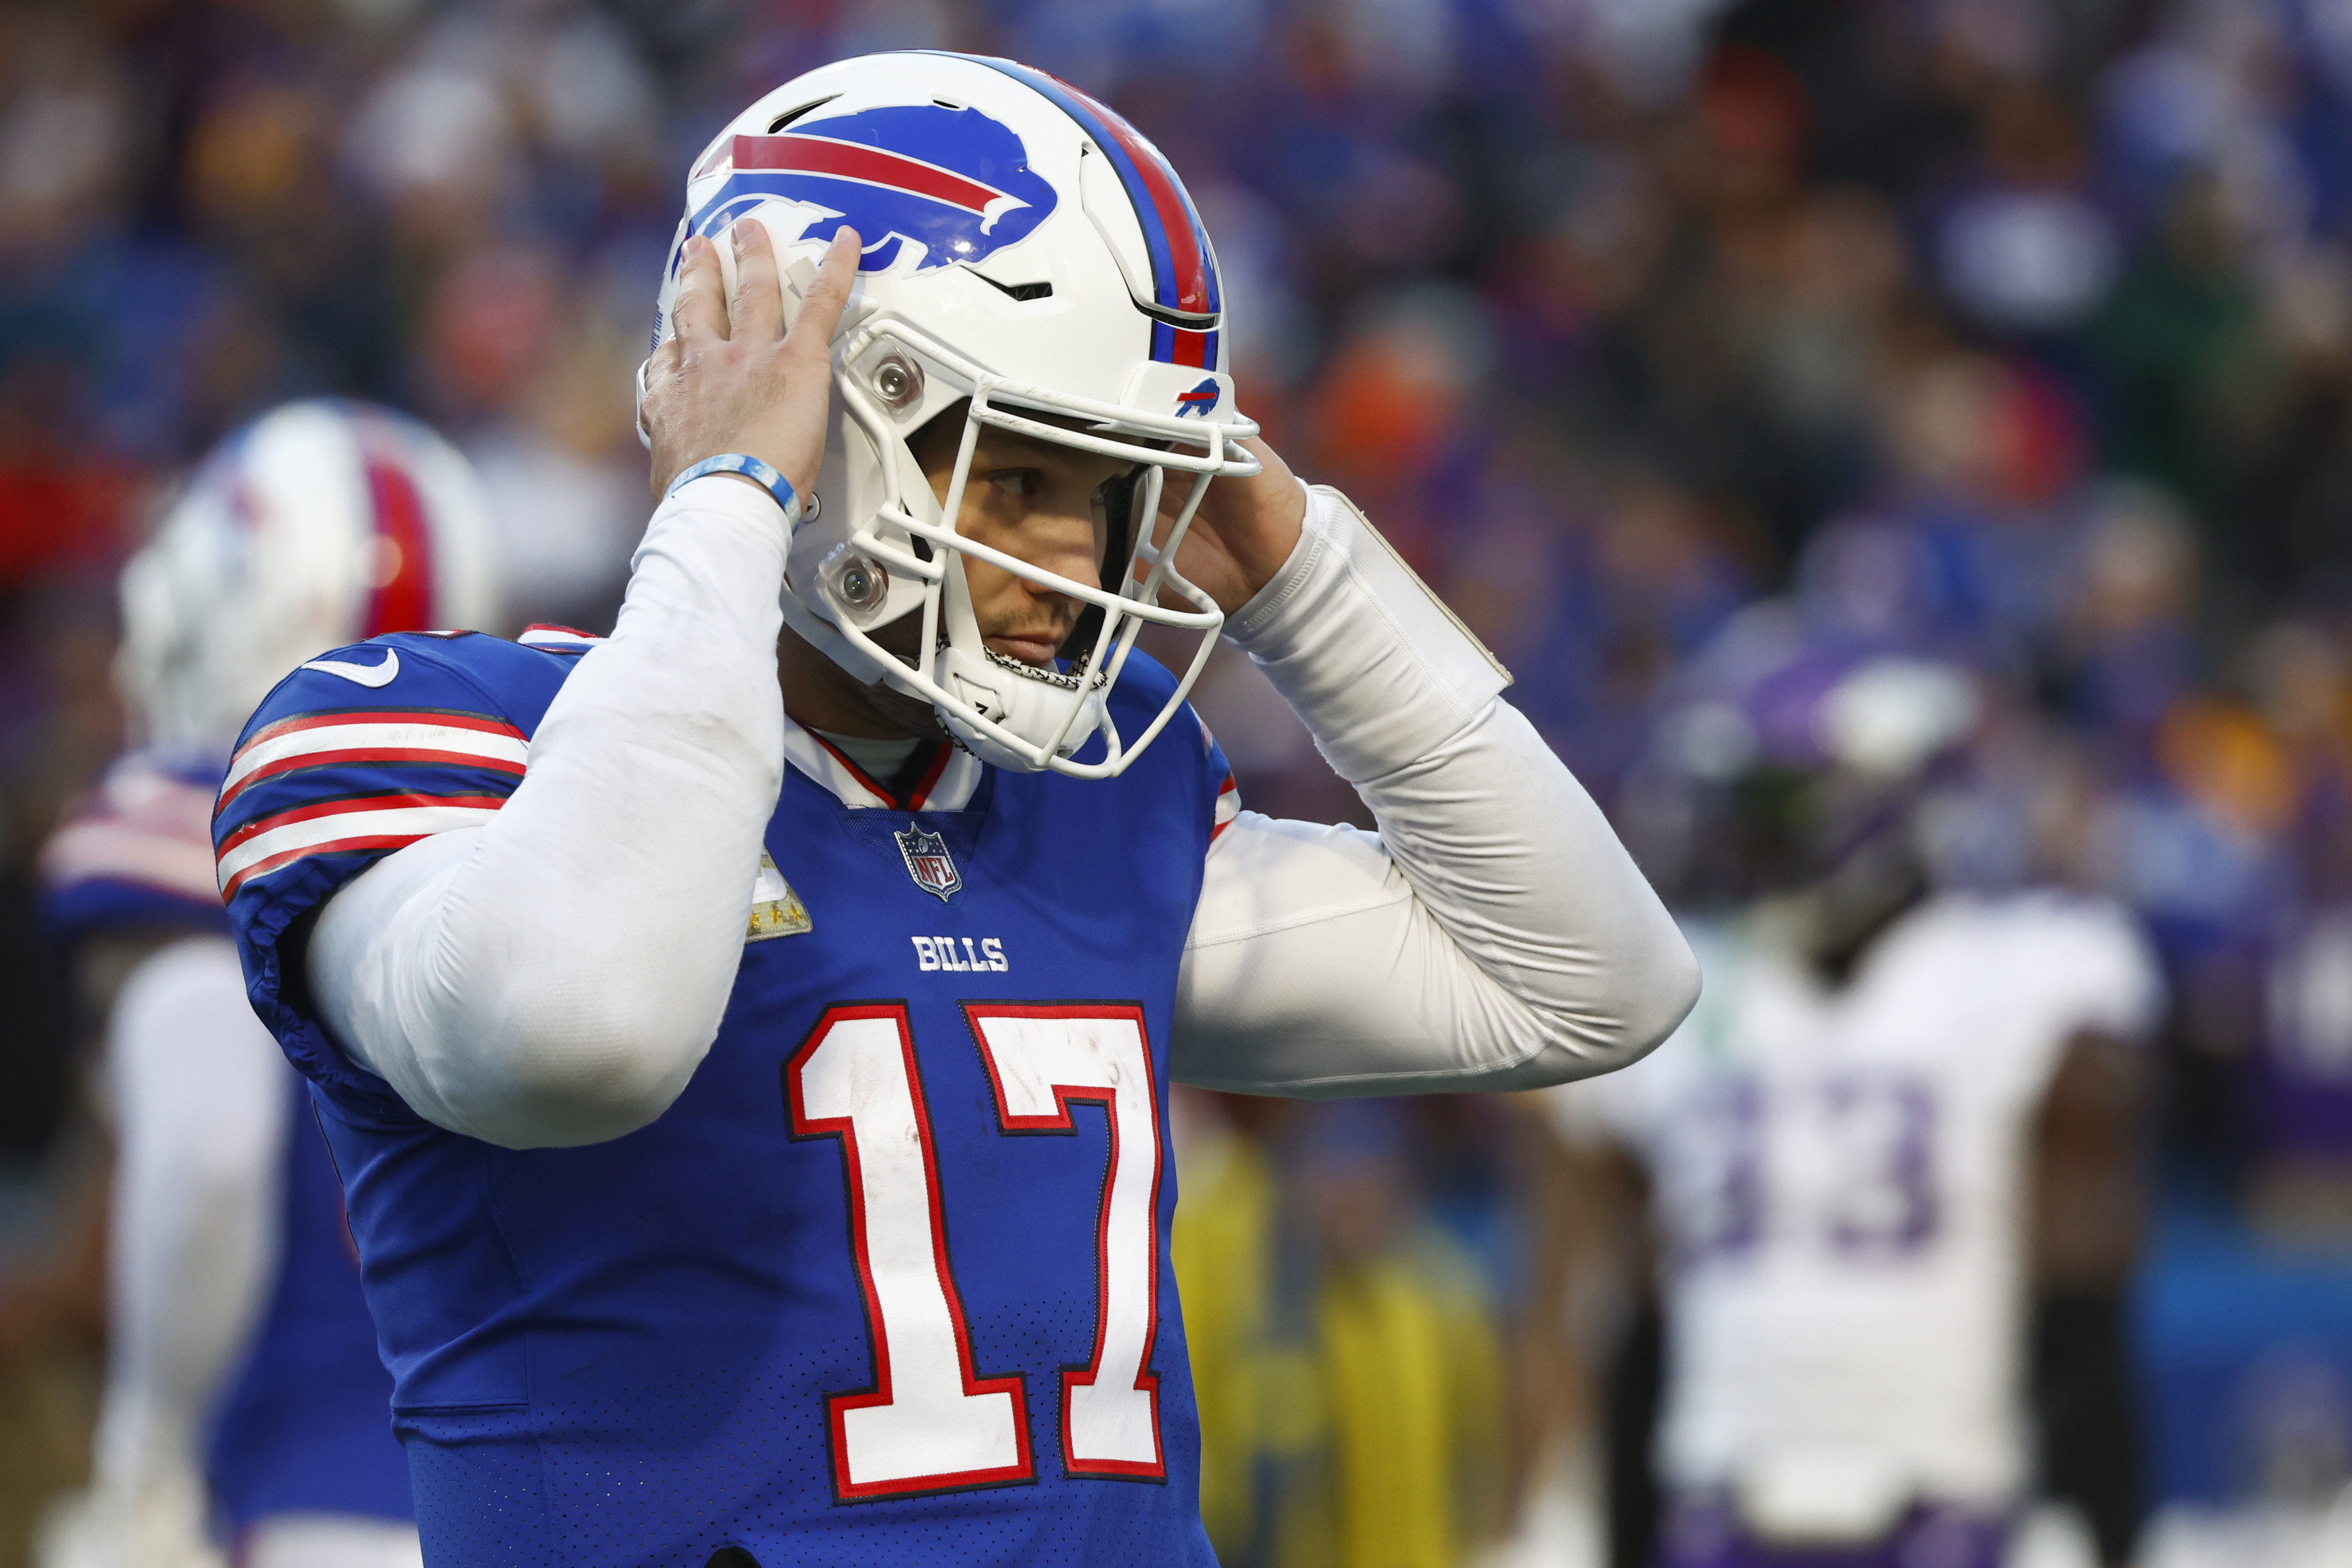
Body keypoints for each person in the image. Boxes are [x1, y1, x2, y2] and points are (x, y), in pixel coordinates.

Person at [210, 51, 1699, 1566]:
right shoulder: (434, 735)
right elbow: (574, 1032)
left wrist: (1304, 574)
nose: (1085, 554)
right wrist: (724, 498)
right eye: (1017, 474)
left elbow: (1589, 984)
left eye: (1119, 489)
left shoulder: (1083, 799)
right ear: (822, 417)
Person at [1539, 642, 2163, 1568]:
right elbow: (1616, 1298)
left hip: (1944, 1498)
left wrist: (2091, 1510)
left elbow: (2083, 1273)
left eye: (1773, 808)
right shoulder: (1686, 985)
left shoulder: (2025, 973)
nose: (1742, 841)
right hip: (1714, 1495)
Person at [35, 400, 500, 1568]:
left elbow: (210, 1148)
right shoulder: (516, 843)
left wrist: (144, 1463)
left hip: (304, 1498)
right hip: (515, 1499)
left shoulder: (206, 834)